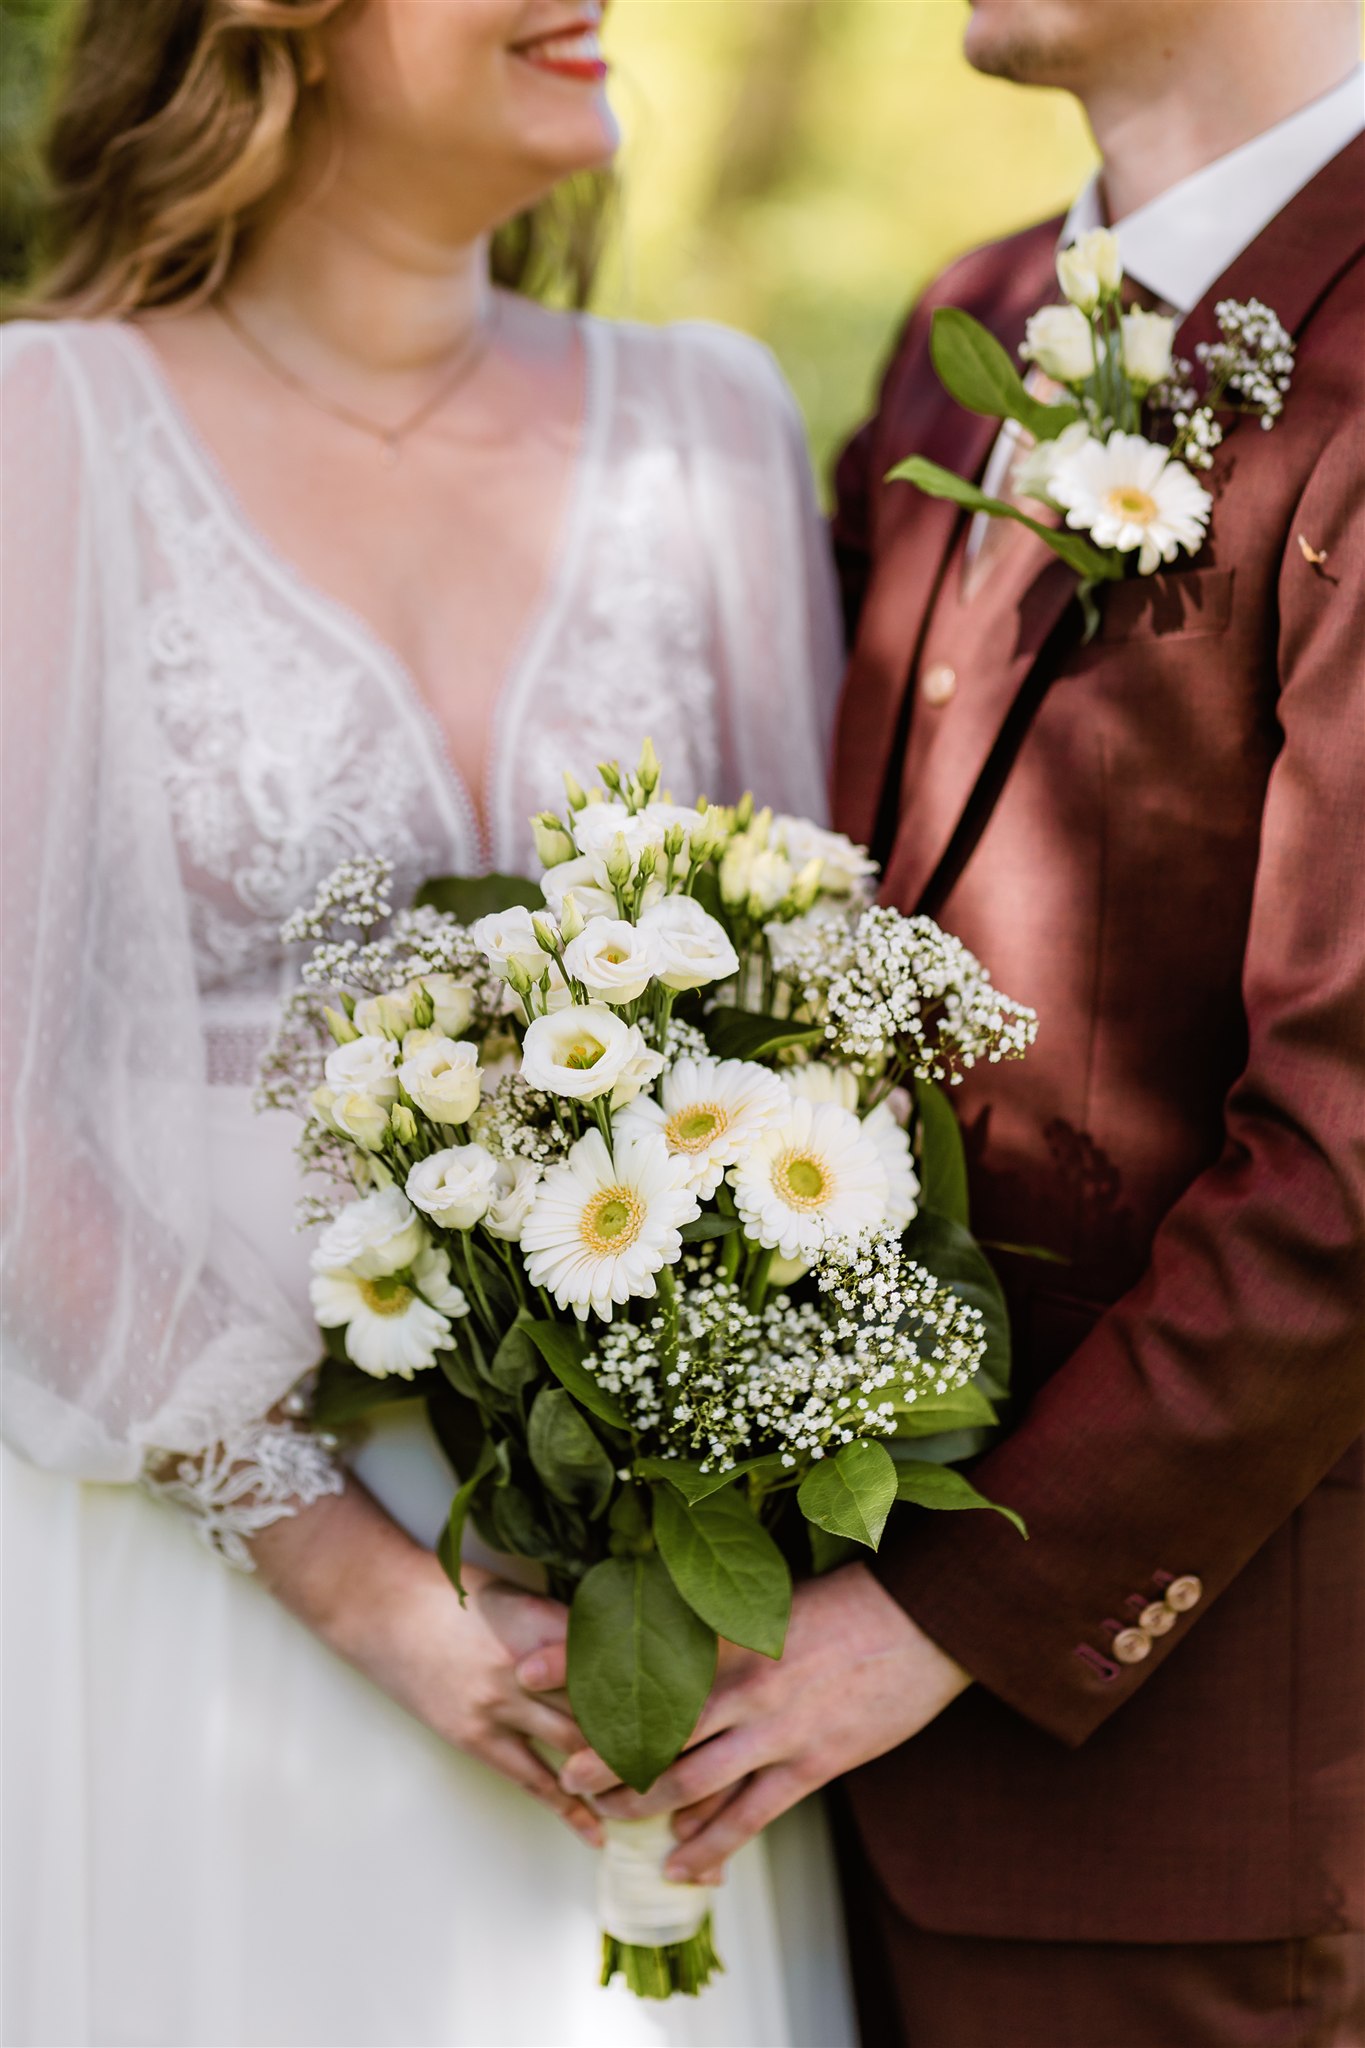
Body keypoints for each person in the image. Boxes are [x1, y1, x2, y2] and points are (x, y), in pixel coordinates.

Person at [0, 3, 856, 2043]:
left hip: (655, 1635)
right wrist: (355, 1585)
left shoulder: (707, 423)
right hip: (193, 1600)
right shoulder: (47, 431)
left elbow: (820, 1035)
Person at [552, 4, 1365, 2042]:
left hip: (1209, 1793)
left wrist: (944, 1616)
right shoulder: (970, 325)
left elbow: (1350, 1152)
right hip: (840, 1781)